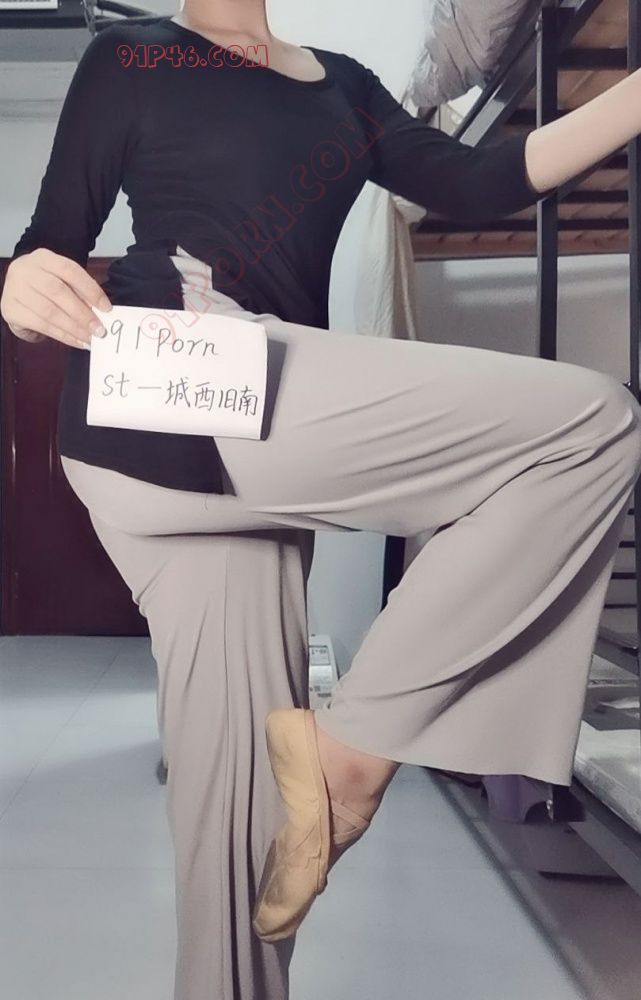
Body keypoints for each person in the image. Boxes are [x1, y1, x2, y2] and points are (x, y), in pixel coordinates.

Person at [3, 1, 641, 997]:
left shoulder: (343, 85)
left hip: (246, 444)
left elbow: (482, 180)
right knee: (586, 425)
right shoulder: (132, 54)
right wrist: (18, 285)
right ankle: (351, 749)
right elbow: (49, 244)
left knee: (247, 849)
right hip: (170, 378)